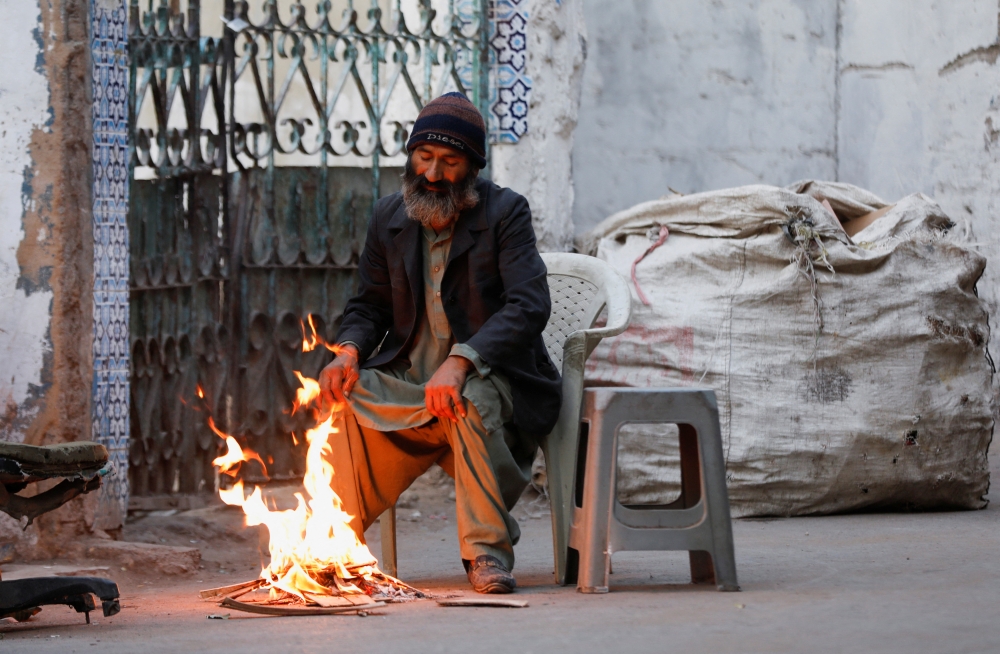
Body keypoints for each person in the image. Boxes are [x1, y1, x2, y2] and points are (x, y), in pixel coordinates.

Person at [318, 92, 561, 594]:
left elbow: (529, 304)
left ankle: (486, 554)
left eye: (449, 161)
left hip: (492, 377)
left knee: (464, 401)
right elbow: (368, 306)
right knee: (344, 398)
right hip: (411, 380)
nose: (432, 173)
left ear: (472, 166)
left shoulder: (506, 212)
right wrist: (348, 352)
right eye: (424, 157)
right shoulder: (388, 216)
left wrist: (462, 359)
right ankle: (333, 545)